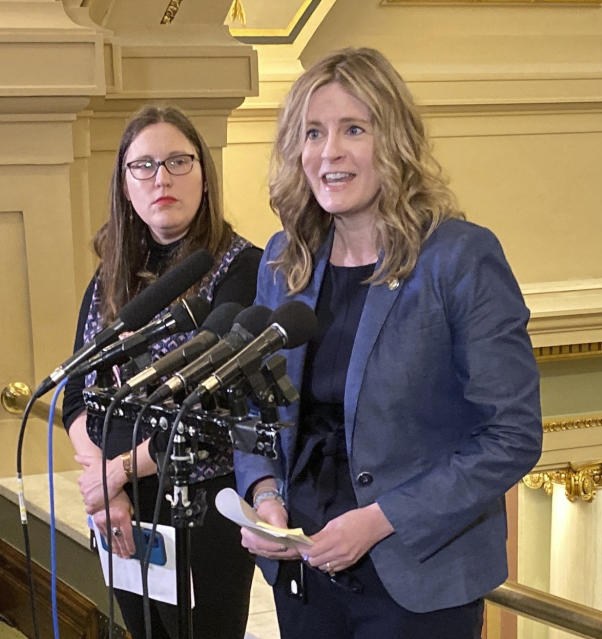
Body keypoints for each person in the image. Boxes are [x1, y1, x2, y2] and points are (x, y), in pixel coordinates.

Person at [234, 48, 543, 638]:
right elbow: (256, 409)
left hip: (417, 581)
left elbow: (511, 435)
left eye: (354, 129)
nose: (331, 153)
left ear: (394, 140)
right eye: (314, 133)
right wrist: (264, 493)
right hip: (306, 568)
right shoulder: (283, 261)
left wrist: (378, 520)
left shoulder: (459, 259)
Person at [62, 105, 260, 639]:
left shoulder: (241, 269)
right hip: (123, 500)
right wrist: (107, 487)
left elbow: (213, 408)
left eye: (178, 161)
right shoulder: (110, 275)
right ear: (125, 185)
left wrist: (118, 472)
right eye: (143, 166)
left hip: (206, 496)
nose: (162, 178)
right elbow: (77, 398)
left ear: (203, 174)